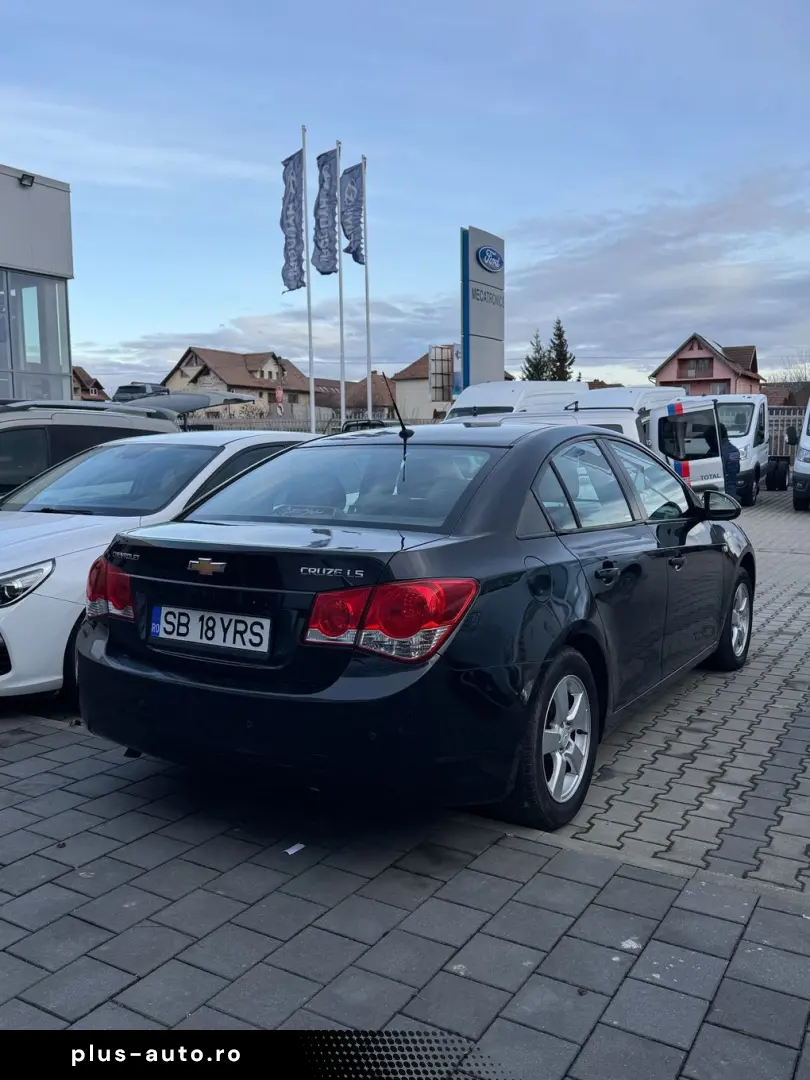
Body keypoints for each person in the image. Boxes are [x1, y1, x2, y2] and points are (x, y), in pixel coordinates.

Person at [706, 422, 740, 499]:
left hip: (721, 491)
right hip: (732, 490)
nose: (708, 443)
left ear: (714, 438)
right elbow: (737, 470)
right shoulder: (734, 450)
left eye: (708, 440)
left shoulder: (716, 452)